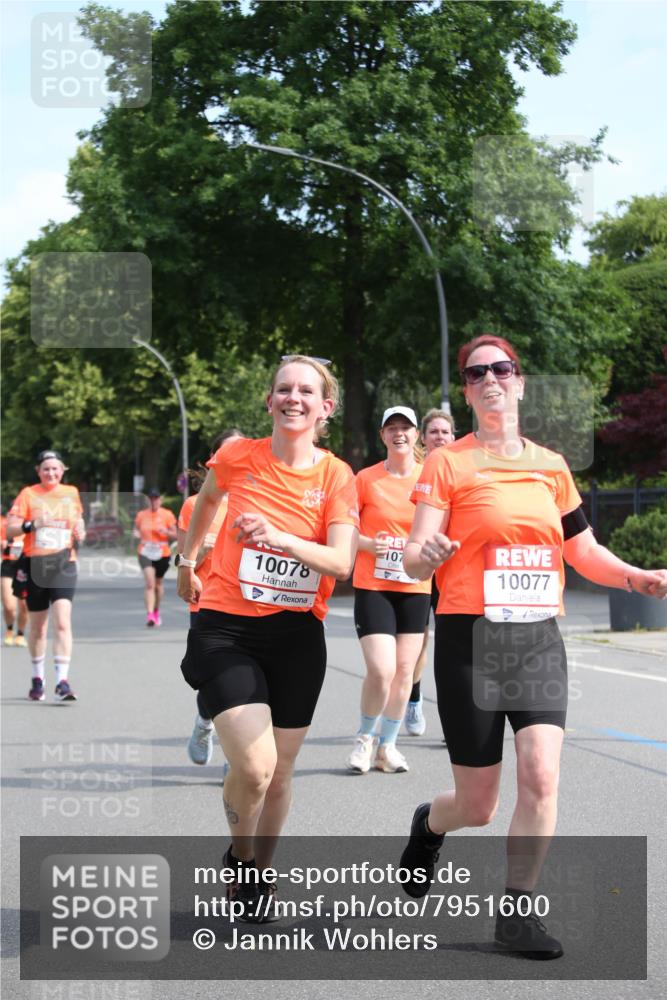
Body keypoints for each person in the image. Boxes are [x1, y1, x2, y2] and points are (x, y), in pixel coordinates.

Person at [397, 335, 667, 960]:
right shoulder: (448, 464)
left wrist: (636, 576)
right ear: (467, 391)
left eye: (502, 369)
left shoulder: (551, 466)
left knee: (542, 774)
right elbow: (414, 552)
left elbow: (583, 550)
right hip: (471, 638)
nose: (490, 379)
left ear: (519, 382)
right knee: (478, 803)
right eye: (476, 373)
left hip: (538, 638)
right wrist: (425, 555)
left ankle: (516, 914)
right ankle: (431, 823)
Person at [177, 355, 358, 921]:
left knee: (280, 772)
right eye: (284, 389)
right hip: (226, 627)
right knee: (254, 768)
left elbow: (342, 561)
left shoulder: (336, 476)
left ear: (324, 408)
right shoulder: (236, 458)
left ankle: (259, 872)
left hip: (297, 634)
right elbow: (207, 501)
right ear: (269, 400)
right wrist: (187, 560)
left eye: (307, 391)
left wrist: (279, 537)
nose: (293, 398)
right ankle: (242, 857)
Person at [346, 406, 432, 775]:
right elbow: (342, 528)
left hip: (416, 585)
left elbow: (445, 524)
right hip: (374, 585)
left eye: (406, 428)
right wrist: (366, 544)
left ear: (417, 436)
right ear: (382, 436)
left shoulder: (431, 480)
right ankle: (365, 738)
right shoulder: (365, 480)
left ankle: (388, 746)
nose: (399, 434)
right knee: (381, 670)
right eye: (391, 428)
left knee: (404, 670)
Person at [177, 429, 245, 765]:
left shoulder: (258, 500)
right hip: (206, 602)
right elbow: (183, 561)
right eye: (226, 452)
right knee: (216, 681)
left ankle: (237, 762)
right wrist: (201, 551)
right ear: (214, 460)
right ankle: (204, 723)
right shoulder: (195, 505)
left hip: (250, 602)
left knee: (245, 685)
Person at [6, 450, 85, 702]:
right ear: (38, 471)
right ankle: (37, 677)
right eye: (46, 469)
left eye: (55, 468)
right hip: (35, 565)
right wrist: (31, 525)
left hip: (64, 563)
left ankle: (62, 681)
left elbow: (78, 521)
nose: (51, 473)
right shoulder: (28, 494)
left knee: (62, 621)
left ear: (63, 470)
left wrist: (80, 531)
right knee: (38, 627)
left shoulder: (71, 493)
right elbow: (9, 530)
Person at [404, 408, 456, 736]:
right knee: (419, 641)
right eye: (433, 432)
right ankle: (413, 698)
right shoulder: (414, 473)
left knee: (454, 649)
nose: (439, 436)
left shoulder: (462, 471)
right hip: (420, 568)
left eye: (445, 432)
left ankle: (457, 724)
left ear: (453, 436)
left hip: (454, 572)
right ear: (423, 438)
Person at [133, 489, 177, 626]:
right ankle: (150, 615)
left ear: (160, 500)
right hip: (145, 551)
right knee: (150, 583)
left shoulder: (167, 515)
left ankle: (156, 610)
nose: (154, 501)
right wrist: (136, 534)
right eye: (151, 499)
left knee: (158, 585)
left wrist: (167, 532)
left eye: (156, 498)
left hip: (162, 552)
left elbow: (176, 535)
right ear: (148, 500)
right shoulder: (141, 515)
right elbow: (136, 529)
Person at [1, 508, 27, 646]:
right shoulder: (4, 527)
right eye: (12, 516)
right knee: (9, 605)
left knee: (24, 605)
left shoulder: (29, 528)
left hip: (25, 567)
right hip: (8, 566)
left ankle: (20, 634)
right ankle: (9, 629)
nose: (14, 518)